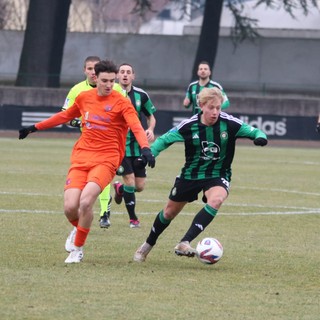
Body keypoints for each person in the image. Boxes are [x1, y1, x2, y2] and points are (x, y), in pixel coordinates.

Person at [18, 60, 155, 264]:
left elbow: (135, 126)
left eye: (111, 80)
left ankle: (78, 249)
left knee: (85, 201)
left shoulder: (121, 101)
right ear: (95, 78)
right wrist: (34, 128)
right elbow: (64, 116)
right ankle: (78, 227)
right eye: (104, 80)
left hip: (107, 159)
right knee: (70, 207)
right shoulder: (84, 97)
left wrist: (145, 148)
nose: (109, 84)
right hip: (82, 157)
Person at [133, 87, 268, 263]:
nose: (215, 112)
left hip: (218, 174)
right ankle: (147, 245)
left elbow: (255, 131)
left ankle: (185, 242)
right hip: (191, 175)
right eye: (211, 107)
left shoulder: (230, 123)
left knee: (216, 199)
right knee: (168, 213)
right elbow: (164, 140)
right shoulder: (189, 125)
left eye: (218, 107)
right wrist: (149, 154)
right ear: (201, 106)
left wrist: (260, 137)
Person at [62, 56, 126, 229]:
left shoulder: (117, 89)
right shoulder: (77, 90)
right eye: (88, 69)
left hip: (110, 146)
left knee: (102, 182)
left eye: (93, 69)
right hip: (87, 147)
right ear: (85, 71)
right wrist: (75, 122)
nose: (91, 72)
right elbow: (65, 116)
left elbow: (125, 115)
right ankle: (80, 228)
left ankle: (104, 212)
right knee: (80, 196)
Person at [112, 63, 156, 228]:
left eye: (128, 72)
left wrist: (150, 129)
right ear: (117, 75)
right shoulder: (112, 93)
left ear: (133, 76)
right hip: (119, 147)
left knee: (139, 186)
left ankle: (120, 189)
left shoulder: (141, 95)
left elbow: (150, 116)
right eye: (122, 72)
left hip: (138, 147)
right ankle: (133, 219)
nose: (125, 75)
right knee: (130, 181)